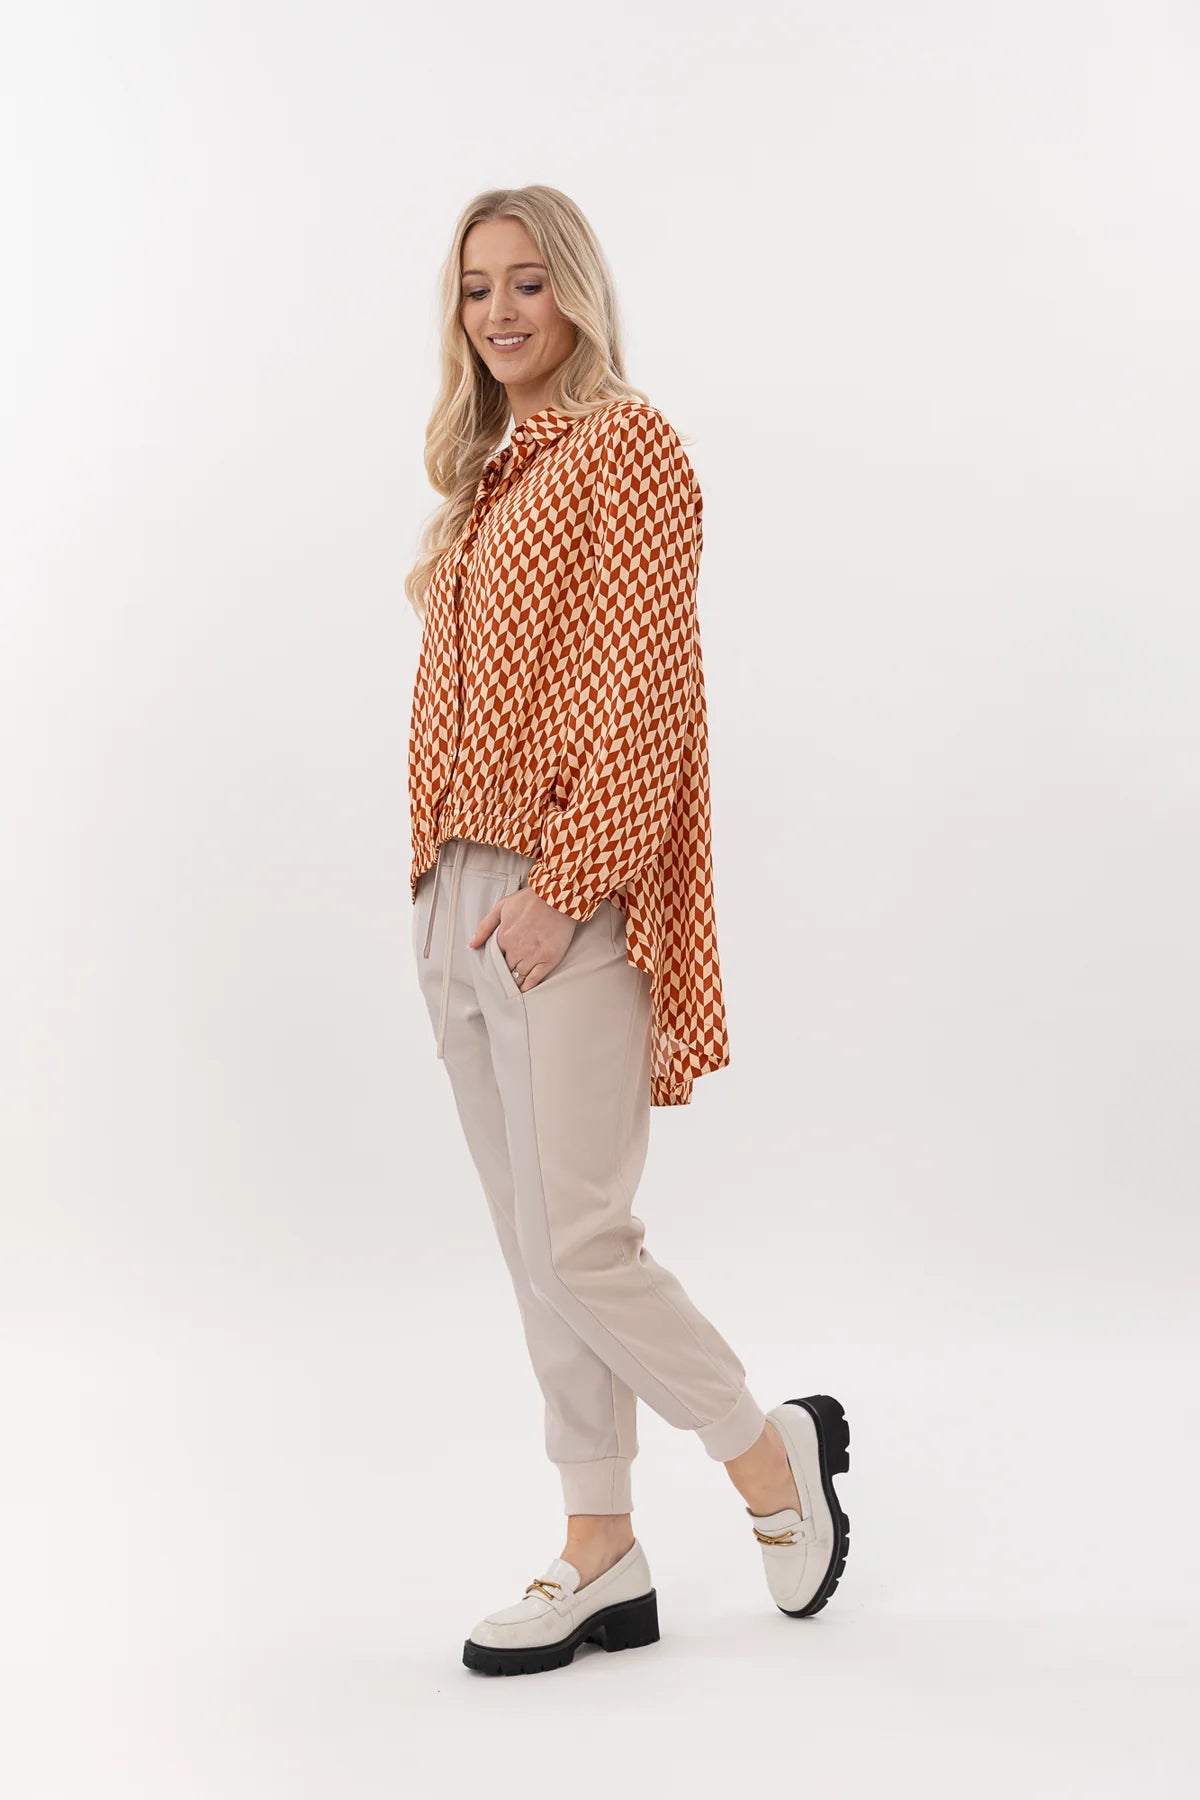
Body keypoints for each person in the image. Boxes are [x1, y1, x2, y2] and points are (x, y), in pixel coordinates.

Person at [406, 184, 850, 1676]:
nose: (502, 312)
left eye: (530, 282)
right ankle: (599, 1547)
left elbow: (645, 692)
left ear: (579, 294)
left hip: (562, 893)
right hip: (457, 890)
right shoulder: (490, 473)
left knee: (586, 1240)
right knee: (536, 1250)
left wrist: (568, 882)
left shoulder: (630, 449)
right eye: (478, 288)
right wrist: (439, 888)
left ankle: (767, 1459)